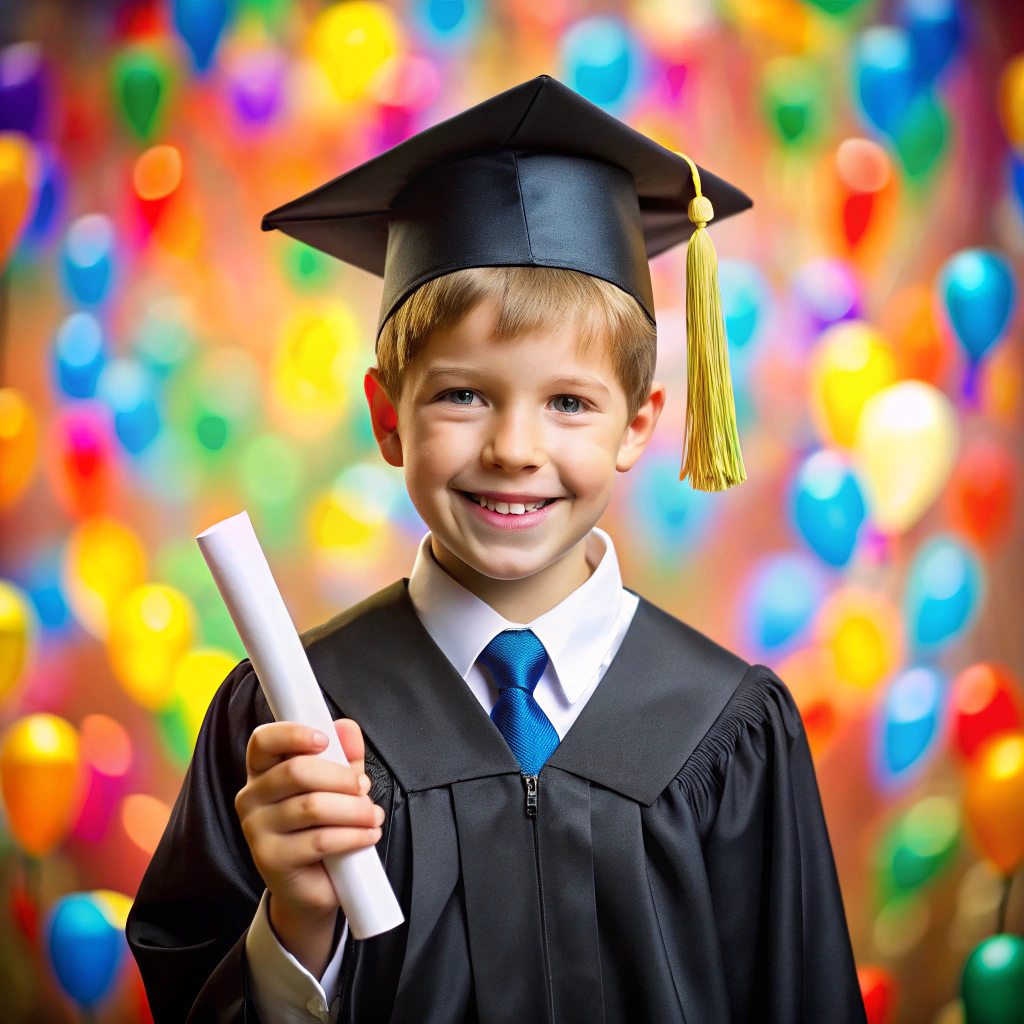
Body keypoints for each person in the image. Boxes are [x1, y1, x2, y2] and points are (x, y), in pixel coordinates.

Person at [126, 75, 867, 1024]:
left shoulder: (732, 728)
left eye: (568, 402)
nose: (514, 449)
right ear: (388, 419)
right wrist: (296, 924)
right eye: (462, 395)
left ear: (639, 425)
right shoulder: (285, 721)